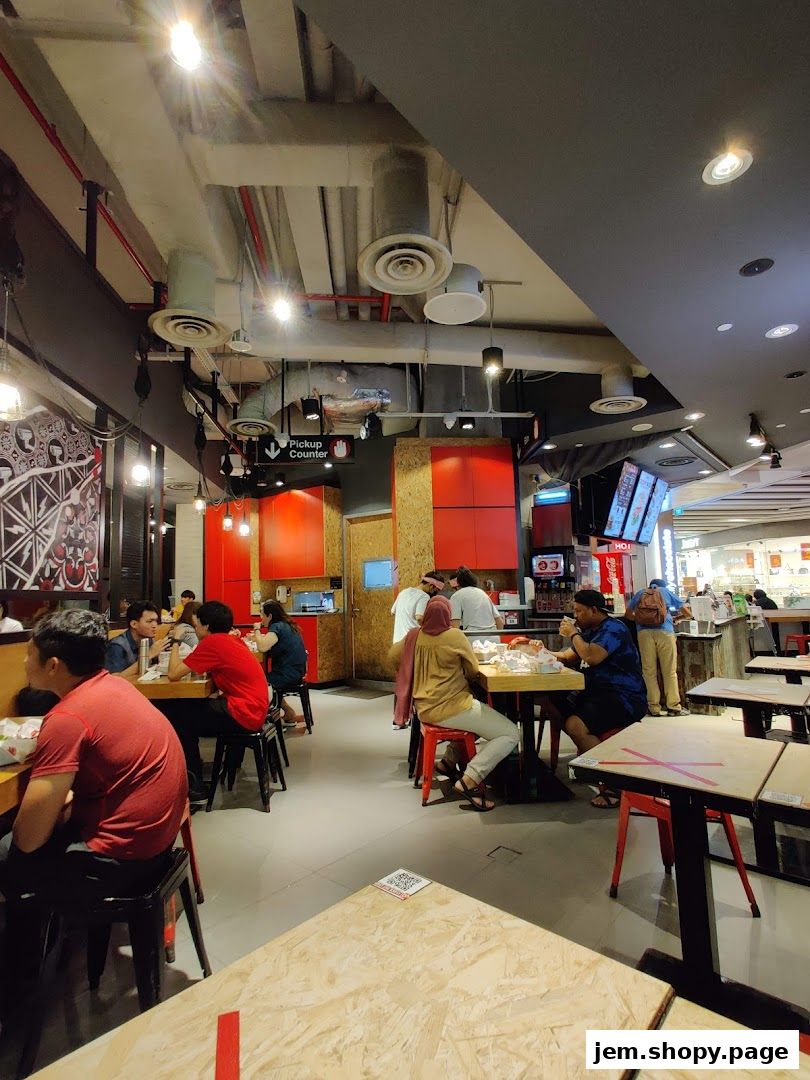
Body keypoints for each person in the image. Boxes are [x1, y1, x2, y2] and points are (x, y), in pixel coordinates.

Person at [0, 611, 187, 912]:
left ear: (52, 665)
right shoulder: (117, 686)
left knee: (9, 852)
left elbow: (29, 840)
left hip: (121, 860)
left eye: (28, 654)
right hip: (158, 842)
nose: (24, 662)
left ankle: (26, 952)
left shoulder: (67, 717)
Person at [390, 595, 518, 812]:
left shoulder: (414, 636)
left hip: (424, 708)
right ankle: (470, 780)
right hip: (454, 707)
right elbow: (473, 670)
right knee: (510, 733)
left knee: (477, 727)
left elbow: (392, 658)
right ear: (448, 615)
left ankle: (448, 762)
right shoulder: (455, 637)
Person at [543, 589, 647, 808]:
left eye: (579, 611)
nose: (575, 615)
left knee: (575, 725)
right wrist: (541, 652)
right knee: (551, 703)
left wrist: (573, 633)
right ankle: (591, 761)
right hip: (596, 693)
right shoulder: (590, 630)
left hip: (624, 697)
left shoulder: (614, 628)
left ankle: (613, 785)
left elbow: (591, 657)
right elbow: (569, 657)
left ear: (594, 610)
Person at [166, 600, 269, 797]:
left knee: (180, 718)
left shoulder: (212, 642)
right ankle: (199, 770)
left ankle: (194, 784)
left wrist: (176, 642)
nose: (195, 629)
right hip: (254, 708)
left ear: (206, 626)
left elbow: (173, 674)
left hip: (244, 712)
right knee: (187, 709)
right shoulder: (231, 640)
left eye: (197, 625)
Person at [626, 578, 691, 717]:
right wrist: (676, 619)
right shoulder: (665, 591)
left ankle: (654, 707)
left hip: (643, 633)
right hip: (665, 632)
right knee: (669, 671)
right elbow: (687, 612)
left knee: (649, 672)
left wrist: (641, 620)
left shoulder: (640, 593)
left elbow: (628, 614)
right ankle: (673, 706)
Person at [253, 600, 308, 727]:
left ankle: (271, 721)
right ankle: (288, 712)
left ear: (270, 616)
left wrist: (257, 629)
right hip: (297, 670)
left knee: (258, 682)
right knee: (265, 680)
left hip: (287, 673)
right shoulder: (287, 625)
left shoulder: (277, 626)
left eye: (262, 614)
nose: (261, 618)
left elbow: (262, 647)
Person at [105, 600, 169, 676]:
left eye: (156, 621)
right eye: (149, 621)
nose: (154, 625)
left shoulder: (149, 640)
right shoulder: (117, 646)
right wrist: (148, 656)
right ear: (134, 624)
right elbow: (115, 679)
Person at [390, 572, 445, 644]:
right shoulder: (424, 596)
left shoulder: (403, 592)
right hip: (411, 642)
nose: (435, 593)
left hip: (397, 642)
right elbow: (419, 617)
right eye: (436, 590)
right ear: (431, 585)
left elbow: (392, 612)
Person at [450, 567, 505, 632]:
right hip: (492, 636)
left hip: (473, 636)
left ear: (458, 582)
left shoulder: (456, 596)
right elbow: (500, 622)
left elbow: (455, 626)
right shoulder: (482, 593)